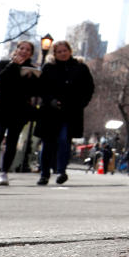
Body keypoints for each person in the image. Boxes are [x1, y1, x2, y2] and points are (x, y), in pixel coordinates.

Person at [0, 41, 38, 186]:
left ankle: (4, 172)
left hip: (19, 110)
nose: (24, 51)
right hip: (1, 108)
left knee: (12, 141)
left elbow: (35, 91)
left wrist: (31, 79)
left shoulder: (32, 70)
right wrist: (13, 66)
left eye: (28, 49)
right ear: (16, 50)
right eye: (21, 48)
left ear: (31, 53)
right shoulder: (5, 63)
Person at [35, 41, 94, 186]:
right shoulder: (49, 67)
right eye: (59, 51)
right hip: (50, 112)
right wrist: (51, 100)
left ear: (70, 50)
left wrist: (81, 103)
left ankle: (61, 171)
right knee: (47, 143)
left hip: (71, 112)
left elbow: (89, 88)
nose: (62, 53)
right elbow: (41, 88)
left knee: (64, 141)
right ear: (54, 54)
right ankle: (44, 174)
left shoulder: (81, 68)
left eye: (64, 50)